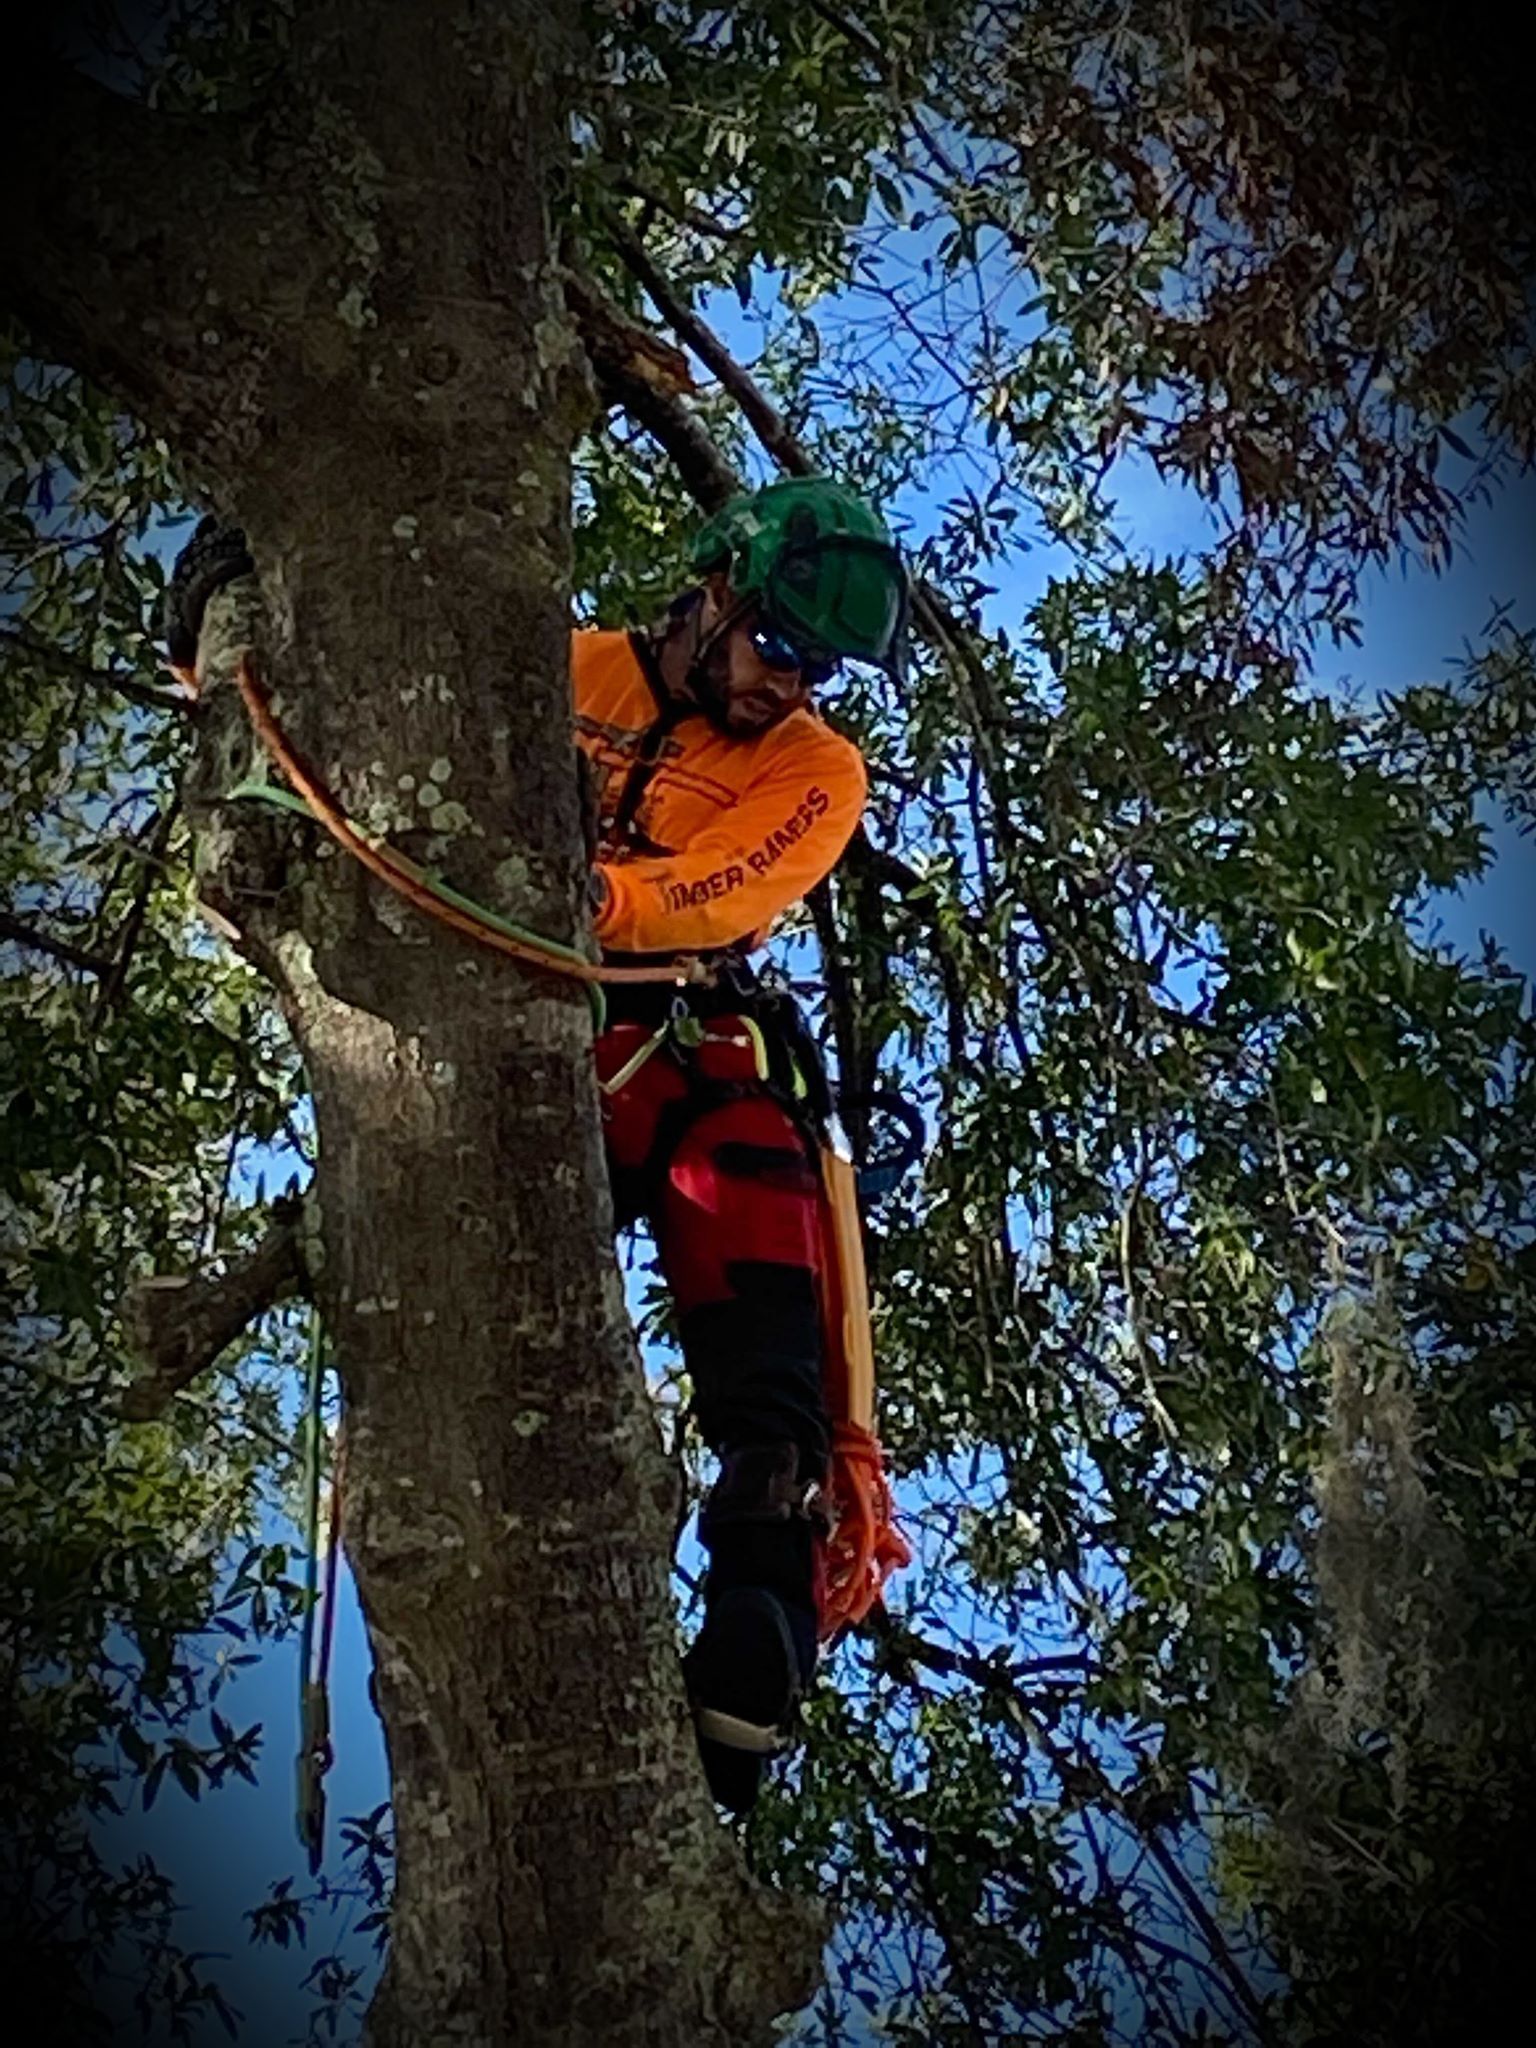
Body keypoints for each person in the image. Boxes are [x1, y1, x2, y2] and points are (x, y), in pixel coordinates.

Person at [162, 476, 909, 1815]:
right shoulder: (555, 667)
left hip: (672, 1047)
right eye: (780, 647)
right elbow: (336, 755)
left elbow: (730, 887)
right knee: (474, 1310)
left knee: (765, 1300)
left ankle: (758, 1624)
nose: (790, 688)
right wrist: (231, 639)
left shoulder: (813, 768)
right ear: (717, 589)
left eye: (821, 668)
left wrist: (587, 897)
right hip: (511, 1051)